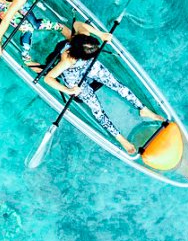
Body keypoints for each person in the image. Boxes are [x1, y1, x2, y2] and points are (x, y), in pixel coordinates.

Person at [32, 22, 164, 154]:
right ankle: (120, 138)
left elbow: (77, 23)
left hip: (89, 64)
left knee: (117, 85)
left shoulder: (83, 37)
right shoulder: (67, 59)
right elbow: (48, 78)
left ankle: (144, 110)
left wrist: (101, 34)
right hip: (73, 75)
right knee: (96, 108)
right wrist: (69, 90)